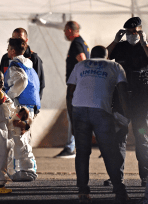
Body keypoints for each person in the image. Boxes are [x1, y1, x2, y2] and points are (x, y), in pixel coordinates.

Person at [67, 45, 130, 203]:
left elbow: (69, 93)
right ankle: (119, 190)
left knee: (82, 153)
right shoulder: (115, 66)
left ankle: (83, 191)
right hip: (101, 110)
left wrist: (72, 120)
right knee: (110, 152)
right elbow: (123, 92)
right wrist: (127, 115)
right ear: (106, 56)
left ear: (91, 55)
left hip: (79, 109)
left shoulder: (80, 65)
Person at [107, 17, 148, 188]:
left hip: (140, 102)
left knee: (141, 136)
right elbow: (104, 56)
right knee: (119, 138)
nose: (132, 35)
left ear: (140, 31)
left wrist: (145, 42)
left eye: (135, 31)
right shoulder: (121, 47)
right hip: (122, 100)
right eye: (129, 32)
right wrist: (115, 41)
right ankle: (116, 177)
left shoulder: (144, 47)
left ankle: (145, 176)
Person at [4, 38, 40, 181]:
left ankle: (26, 170)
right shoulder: (29, 65)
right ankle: (24, 168)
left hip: (20, 107)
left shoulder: (15, 66)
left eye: (8, 48)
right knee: (23, 138)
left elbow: (21, 81)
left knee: (18, 138)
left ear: (12, 50)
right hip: (30, 107)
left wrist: (8, 96)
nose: (7, 51)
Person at [55, 21, 90, 159]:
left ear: (70, 30)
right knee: (76, 116)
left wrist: (80, 83)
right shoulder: (82, 42)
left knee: (73, 115)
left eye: (65, 30)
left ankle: (71, 147)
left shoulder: (76, 43)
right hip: (79, 86)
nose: (64, 33)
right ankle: (72, 146)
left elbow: (82, 60)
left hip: (76, 86)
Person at [0, 28, 45, 104]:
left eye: (19, 39)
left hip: (25, 106)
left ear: (26, 41)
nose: (16, 41)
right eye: (14, 39)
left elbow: (39, 84)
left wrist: (35, 106)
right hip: (8, 104)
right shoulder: (6, 58)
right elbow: (1, 80)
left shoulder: (34, 59)